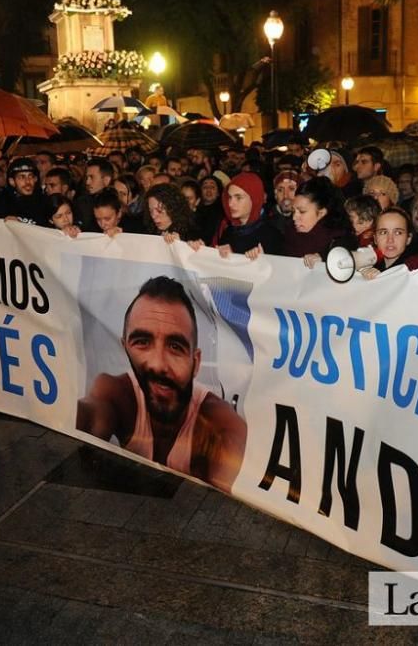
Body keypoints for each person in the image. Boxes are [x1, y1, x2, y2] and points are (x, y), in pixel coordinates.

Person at [76, 276, 247, 493]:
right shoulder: (116, 393)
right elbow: (90, 416)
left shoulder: (220, 425)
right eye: (142, 342)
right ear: (125, 347)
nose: (158, 365)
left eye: (176, 347)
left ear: (196, 363)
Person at [197, 172, 283, 258]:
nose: (230, 204)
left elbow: (281, 268)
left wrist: (262, 261)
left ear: (254, 199)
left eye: (238, 198)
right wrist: (201, 250)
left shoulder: (272, 235)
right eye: (230, 197)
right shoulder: (229, 232)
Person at [284, 177, 355, 267]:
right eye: (293, 211)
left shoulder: (341, 240)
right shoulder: (289, 233)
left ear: (321, 213)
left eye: (302, 212)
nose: (294, 217)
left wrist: (324, 257)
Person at [360, 207, 415, 279]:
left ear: (408, 238)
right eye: (383, 232)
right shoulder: (368, 265)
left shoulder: (416, 272)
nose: (390, 240)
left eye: (398, 233)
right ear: (375, 239)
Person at [74, 158, 115, 229]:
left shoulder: (118, 203)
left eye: (92, 177)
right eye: (87, 177)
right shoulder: (81, 203)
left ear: (106, 180)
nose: (87, 182)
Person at [265, 171, 300, 235]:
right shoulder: (265, 221)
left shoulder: (308, 221)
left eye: (291, 189)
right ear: (275, 194)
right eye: (280, 190)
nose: (285, 195)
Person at [195, 175, 225, 244]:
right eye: (205, 187)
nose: (208, 190)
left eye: (212, 187)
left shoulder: (223, 212)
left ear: (218, 193)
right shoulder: (195, 209)